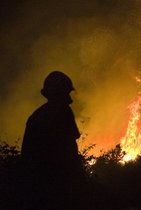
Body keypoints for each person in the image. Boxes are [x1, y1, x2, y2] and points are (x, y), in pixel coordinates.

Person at [21, 71, 84, 209]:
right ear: (60, 93)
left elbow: (26, 155)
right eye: (66, 92)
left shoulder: (36, 116)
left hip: (38, 184)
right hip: (58, 181)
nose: (68, 97)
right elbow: (74, 136)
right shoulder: (64, 112)